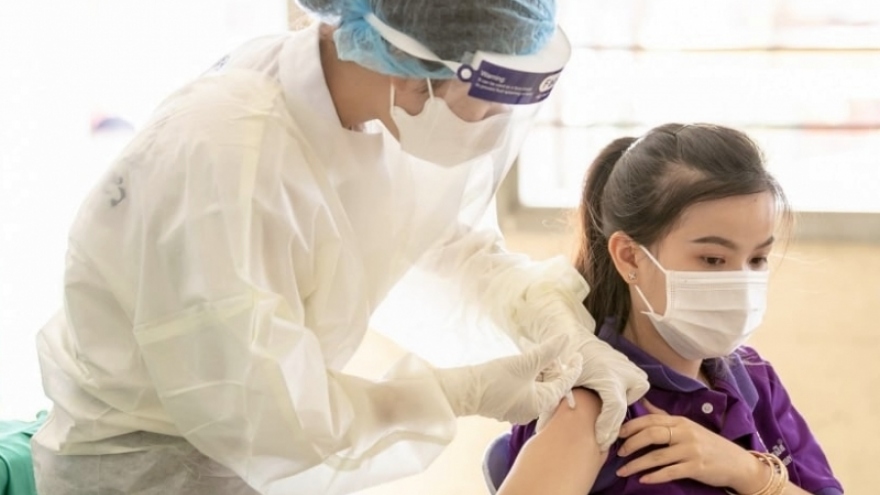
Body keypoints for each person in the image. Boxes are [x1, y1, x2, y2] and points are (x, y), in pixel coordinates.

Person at [30, 1, 649, 494]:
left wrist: (550, 321)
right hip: (149, 468)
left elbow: (440, 245)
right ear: (411, 65)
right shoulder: (229, 150)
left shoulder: (383, 111)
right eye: (490, 96)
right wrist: (460, 392)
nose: (493, 122)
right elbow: (262, 410)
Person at [500, 123, 844, 495]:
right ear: (630, 256)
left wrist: (745, 471)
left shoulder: (754, 378)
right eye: (713, 259)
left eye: (757, 259)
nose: (741, 283)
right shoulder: (592, 404)